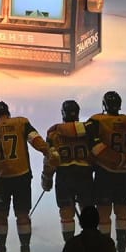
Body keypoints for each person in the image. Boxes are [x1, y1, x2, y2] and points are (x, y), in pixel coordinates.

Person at [0, 101, 51, 252]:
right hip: (22, 175)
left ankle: (0, 249)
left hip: (1, 179)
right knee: (22, 214)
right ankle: (25, 248)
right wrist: (48, 151)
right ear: (8, 112)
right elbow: (35, 140)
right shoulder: (21, 122)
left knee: (0, 216)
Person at [87, 91, 126, 252]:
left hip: (104, 174)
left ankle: (105, 247)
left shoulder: (97, 121)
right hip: (124, 176)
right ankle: (122, 242)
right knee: (122, 209)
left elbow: (92, 146)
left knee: (103, 213)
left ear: (104, 105)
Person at [42, 100, 97, 242]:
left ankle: (70, 245)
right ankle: (90, 243)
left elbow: (51, 158)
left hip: (64, 176)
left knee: (66, 214)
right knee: (87, 211)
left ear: (63, 113)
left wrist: (46, 178)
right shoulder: (88, 129)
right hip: (85, 175)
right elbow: (96, 153)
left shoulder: (54, 131)